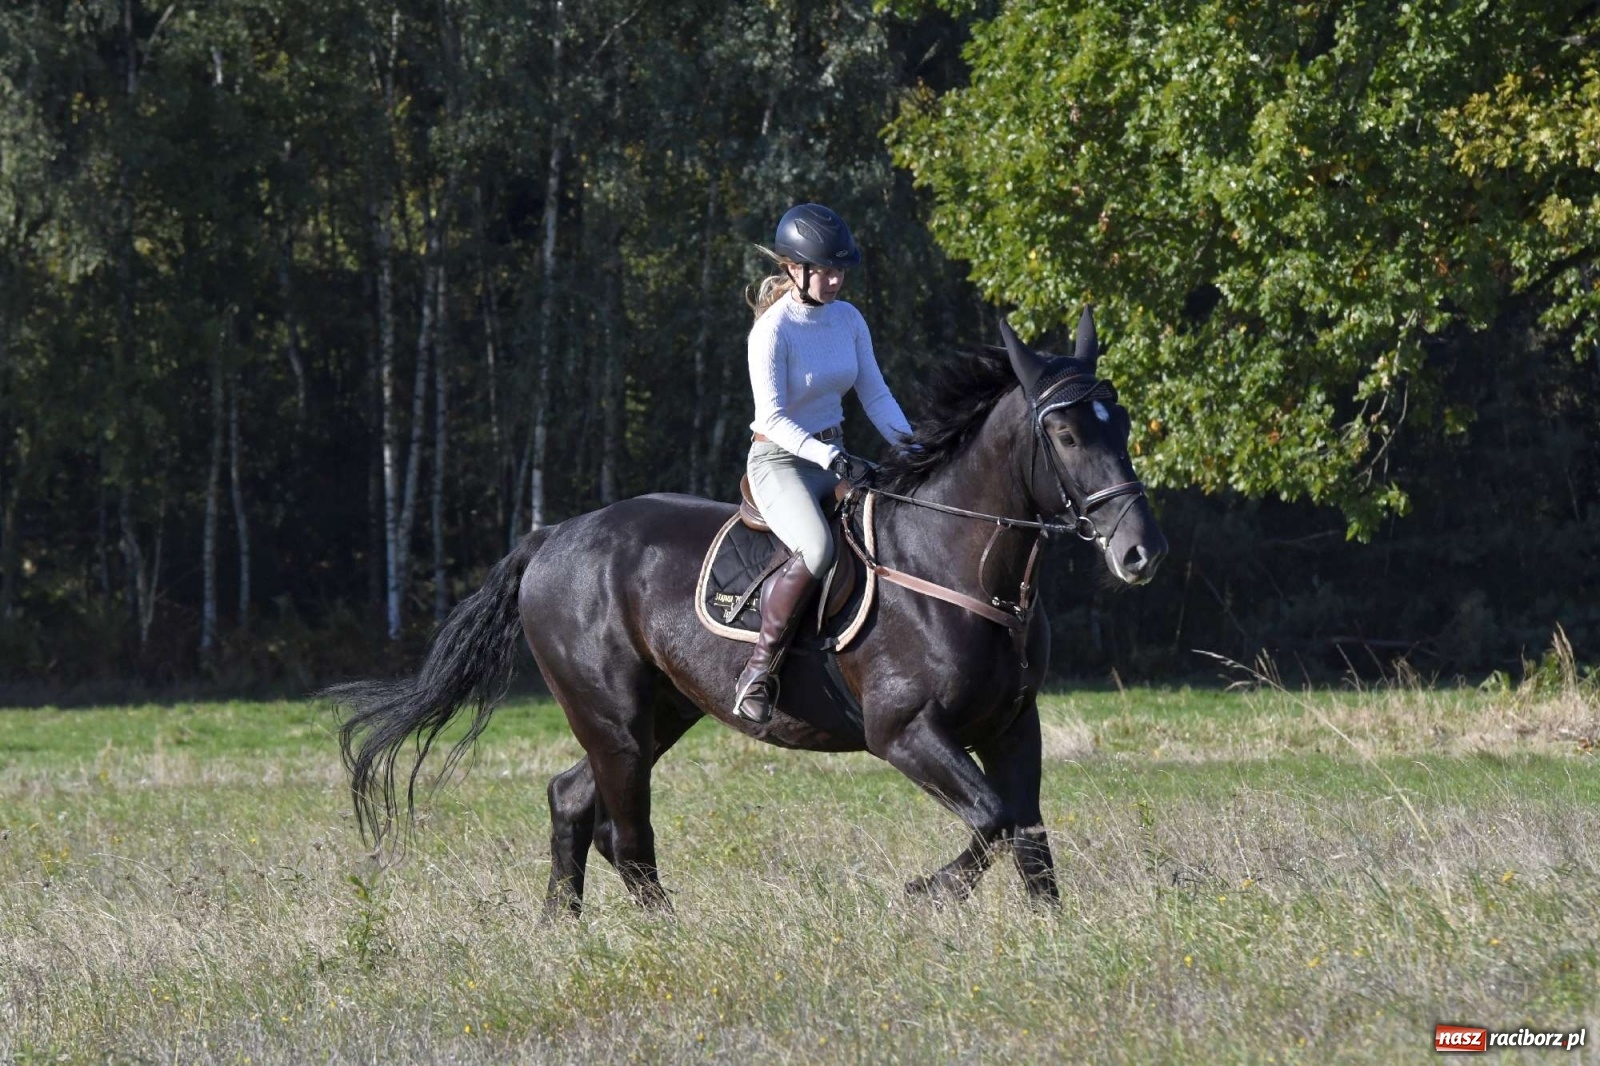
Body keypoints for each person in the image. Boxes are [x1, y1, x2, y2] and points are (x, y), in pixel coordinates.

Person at [733, 203, 914, 724]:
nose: (836, 280)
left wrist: (916, 449)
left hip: (833, 457)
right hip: (780, 461)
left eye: (841, 270)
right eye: (826, 271)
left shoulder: (848, 320)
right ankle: (757, 672)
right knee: (817, 548)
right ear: (794, 268)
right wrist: (832, 457)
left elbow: (876, 396)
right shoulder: (772, 332)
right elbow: (772, 418)